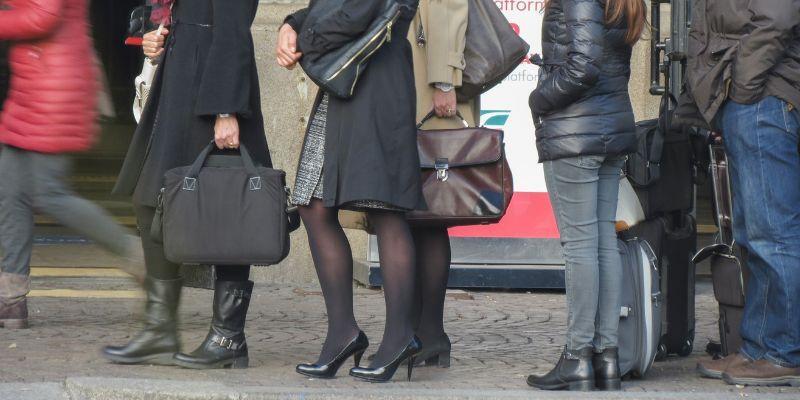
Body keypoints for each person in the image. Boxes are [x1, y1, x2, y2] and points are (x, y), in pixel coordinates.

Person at [102, 0, 272, 370]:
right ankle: (160, 329)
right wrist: (153, 33)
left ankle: (228, 338)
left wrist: (226, 110)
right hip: (180, 80)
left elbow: (233, 31)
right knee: (150, 200)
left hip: (212, 90)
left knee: (232, 210)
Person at [277, 0, 423, 382]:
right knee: (311, 202)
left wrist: (304, 39)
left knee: (384, 207)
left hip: (375, 80)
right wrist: (291, 24)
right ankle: (343, 333)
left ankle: (399, 337)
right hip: (346, 78)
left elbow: (357, 10)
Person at [0, 0, 145, 330]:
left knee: (49, 194)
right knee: (10, 190)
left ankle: (137, 256)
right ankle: (11, 300)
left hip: (54, 86)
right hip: (34, 82)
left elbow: (44, 15)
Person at [525, 0, 645, 391]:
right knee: (602, 245)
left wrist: (539, 99)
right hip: (610, 127)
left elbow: (584, 65)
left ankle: (577, 357)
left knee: (580, 247)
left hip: (576, 133)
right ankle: (605, 358)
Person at [685, 0, 800, 387]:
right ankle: (757, 348)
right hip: (755, 100)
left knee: (774, 235)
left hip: (765, 98)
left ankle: (782, 353)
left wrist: (742, 88)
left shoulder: (756, 93)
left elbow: (777, 18)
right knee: (754, 235)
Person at [406, 0, 476, 368]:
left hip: (429, 84)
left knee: (428, 212)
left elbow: (450, 5)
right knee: (412, 214)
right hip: (413, 77)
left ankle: (429, 334)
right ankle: (419, 333)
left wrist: (444, 79)